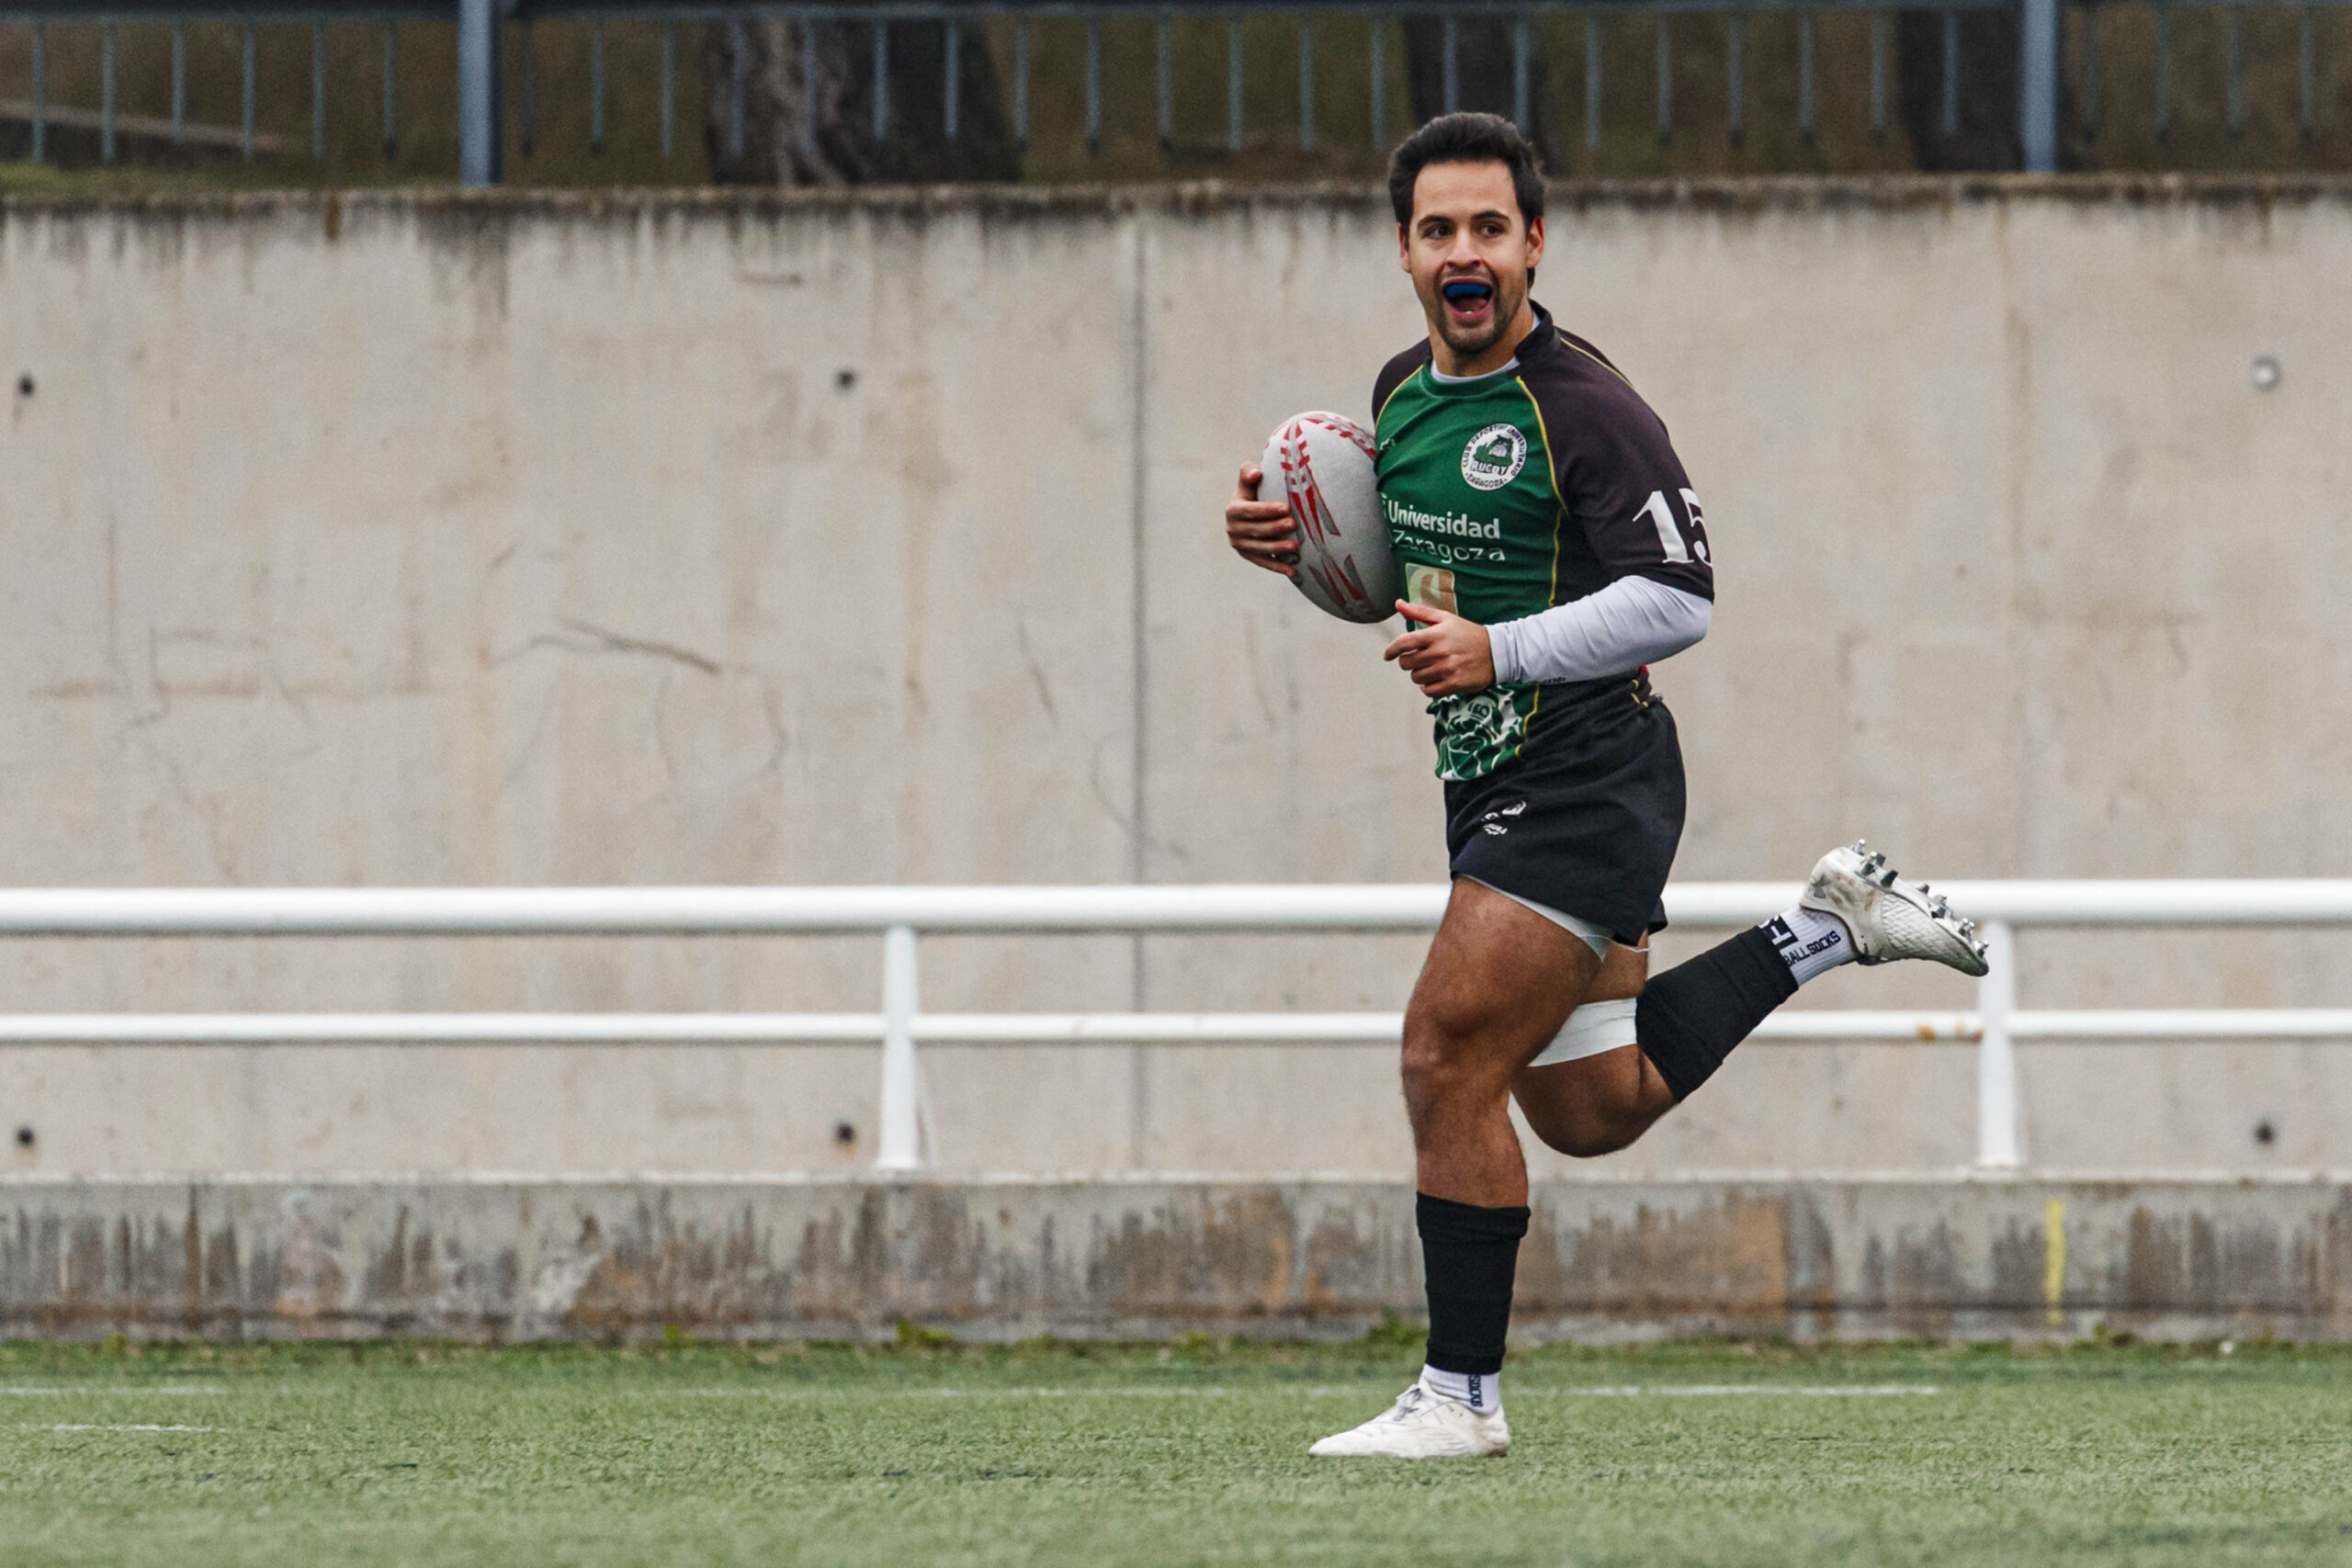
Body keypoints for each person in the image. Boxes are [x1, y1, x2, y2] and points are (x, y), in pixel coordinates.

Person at [1222, 112, 1989, 1461]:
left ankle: (1459, 1399)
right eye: (1440, 229)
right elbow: (1409, 579)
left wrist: (1500, 652)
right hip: (1492, 780)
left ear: (1535, 243)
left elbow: (1681, 601)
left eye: (1491, 229)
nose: (1467, 253)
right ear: (1404, 250)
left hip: (1584, 780)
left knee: (1444, 1056)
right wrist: (1296, 550)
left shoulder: (1584, 408)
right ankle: (1826, 924)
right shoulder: (1401, 393)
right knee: (1593, 1110)